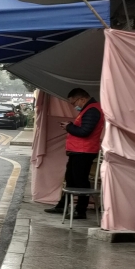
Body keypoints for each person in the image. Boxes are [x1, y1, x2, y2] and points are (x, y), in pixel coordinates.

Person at [44, 88, 104, 220]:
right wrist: (70, 126)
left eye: (74, 103)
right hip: (78, 151)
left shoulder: (92, 110)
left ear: (82, 99)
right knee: (70, 179)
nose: (74, 106)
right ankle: (62, 205)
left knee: (80, 181)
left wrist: (68, 127)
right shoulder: (88, 109)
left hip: (84, 151)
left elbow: (84, 132)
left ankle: (80, 210)